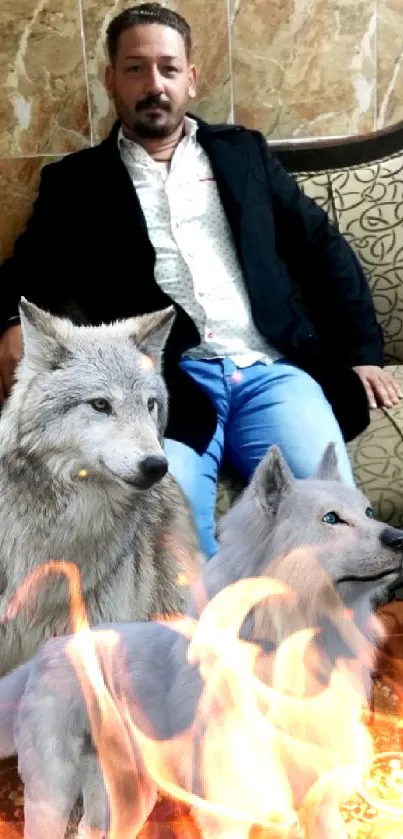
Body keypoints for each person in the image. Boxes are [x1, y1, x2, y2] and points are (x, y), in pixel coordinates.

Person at [0, 3, 401, 558]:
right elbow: (26, 273)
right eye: (136, 68)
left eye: (168, 68)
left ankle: (324, 640)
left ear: (191, 78)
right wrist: (9, 325)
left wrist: (363, 352)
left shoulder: (244, 155)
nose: (153, 84)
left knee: (332, 521)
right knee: (170, 539)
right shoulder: (76, 183)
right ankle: (210, 643)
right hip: (161, 386)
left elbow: (323, 251)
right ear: (110, 79)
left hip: (272, 369)